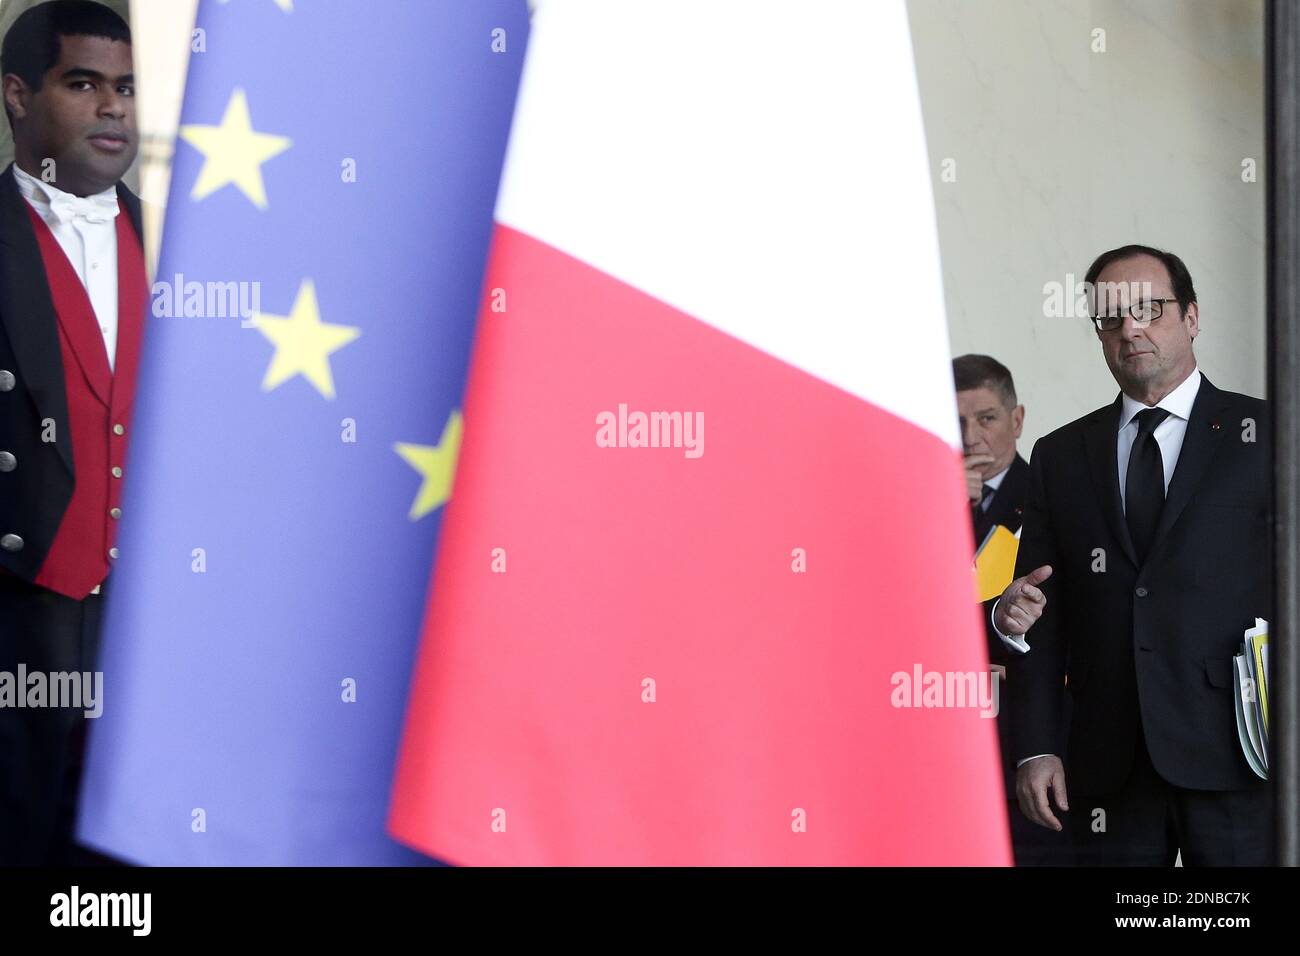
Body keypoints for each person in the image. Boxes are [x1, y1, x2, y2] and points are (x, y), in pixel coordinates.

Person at [993, 244, 1271, 865]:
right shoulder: (1061, 455)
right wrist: (1036, 746)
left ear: (1192, 316)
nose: (1131, 328)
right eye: (1111, 316)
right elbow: (1038, 607)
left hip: (1241, 750)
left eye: (1150, 308)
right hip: (1106, 758)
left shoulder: (1267, 435)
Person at [0, 0, 143, 865]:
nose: (113, 107)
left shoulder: (190, 239)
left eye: (125, 87)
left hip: (154, 615)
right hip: (19, 607)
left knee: (126, 851)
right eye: (83, 82)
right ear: (18, 96)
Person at [954, 354, 1071, 865]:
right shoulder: (913, 500)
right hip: (935, 735)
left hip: (1021, 739)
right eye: (956, 421)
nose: (971, 437)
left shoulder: (1051, 497)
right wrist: (940, 506)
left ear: (1017, 420)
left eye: (986, 418)